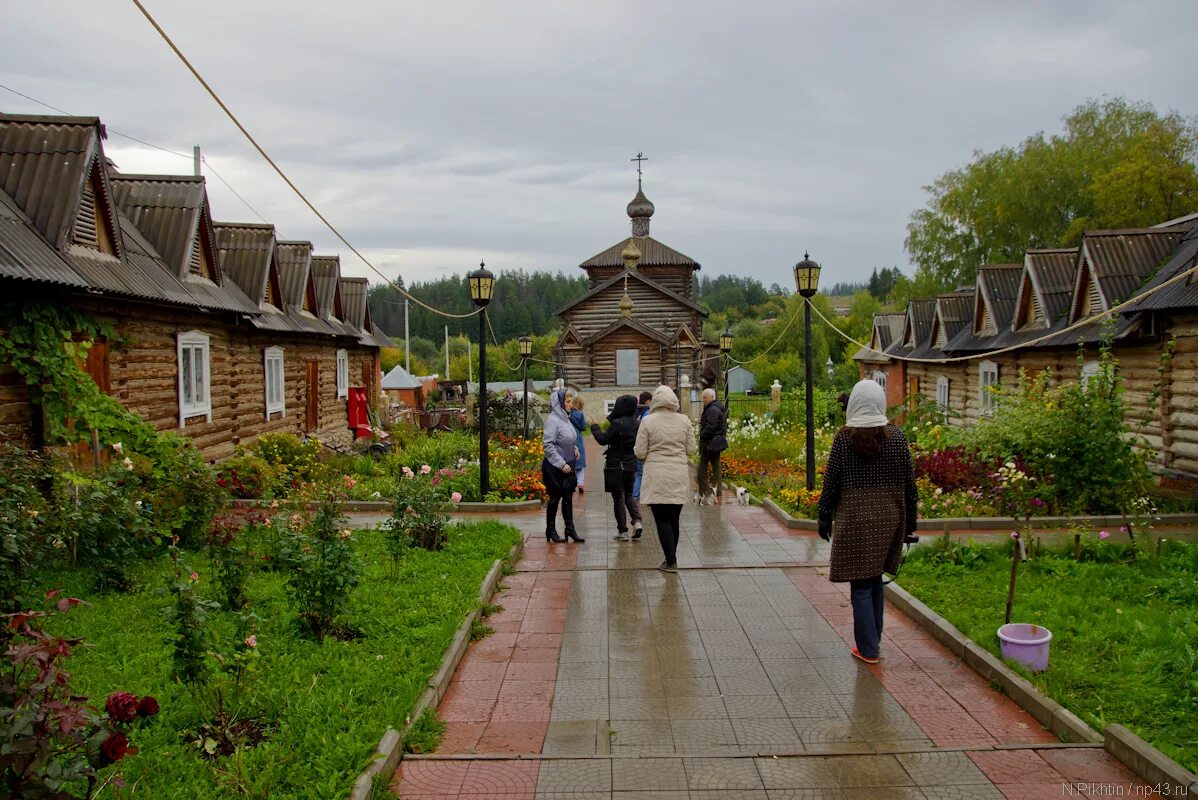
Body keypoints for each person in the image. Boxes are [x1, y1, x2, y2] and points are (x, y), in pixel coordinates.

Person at [816, 379, 917, 664]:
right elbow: (910, 484)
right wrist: (911, 523)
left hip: (855, 517)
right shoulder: (897, 439)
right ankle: (873, 640)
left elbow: (831, 482)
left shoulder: (843, 440)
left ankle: (868, 648)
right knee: (874, 579)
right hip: (889, 517)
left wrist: (824, 516)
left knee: (861, 583)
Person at [634, 385, 697, 573]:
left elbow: (639, 451)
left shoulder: (648, 421)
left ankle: (671, 561)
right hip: (678, 473)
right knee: (674, 518)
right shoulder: (684, 420)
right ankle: (671, 558)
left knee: (661, 519)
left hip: (656, 474)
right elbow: (692, 449)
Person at [589, 395, 643, 541]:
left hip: (616, 465)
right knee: (629, 495)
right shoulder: (638, 424)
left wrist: (595, 426)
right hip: (631, 464)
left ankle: (623, 531)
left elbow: (602, 439)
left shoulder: (617, 423)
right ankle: (637, 522)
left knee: (618, 497)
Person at [542, 389, 585, 543]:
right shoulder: (553, 421)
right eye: (567, 402)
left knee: (568, 498)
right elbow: (548, 445)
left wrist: (575, 449)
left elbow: (569, 439)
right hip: (555, 467)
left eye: (571, 401)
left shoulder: (566, 419)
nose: (571, 405)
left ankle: (570, 529)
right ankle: (551, 530)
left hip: (569, 465)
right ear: (559, 403)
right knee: (554, 499)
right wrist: (561, 464)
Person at [697, 388, 728, 504]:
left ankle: (705, 489)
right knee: (716, 465)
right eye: (703, 397)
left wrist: (702, 435)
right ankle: (717, 490)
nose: (703, 399)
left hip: (709, 442)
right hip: (715, 441)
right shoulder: (716, 407)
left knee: (702, 467)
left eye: (705, 397)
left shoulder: (713, 409)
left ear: (712, 397)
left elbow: (711, 426)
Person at [631, 390, 652, 500]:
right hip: (645, 446)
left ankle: (635, 495)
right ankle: (640, 495)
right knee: (643, 473)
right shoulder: (647, 414)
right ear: (648, 401)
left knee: (638, 473)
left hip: (636, 445)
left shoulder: (635, 411)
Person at [568, 394, 588, 493]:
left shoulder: (568, 414)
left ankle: (572, 483)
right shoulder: (580, 414)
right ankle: (580, 482)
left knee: (571, 462)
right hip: (578, 440)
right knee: (580, 462)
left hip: (569, 439)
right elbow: (584, 427)